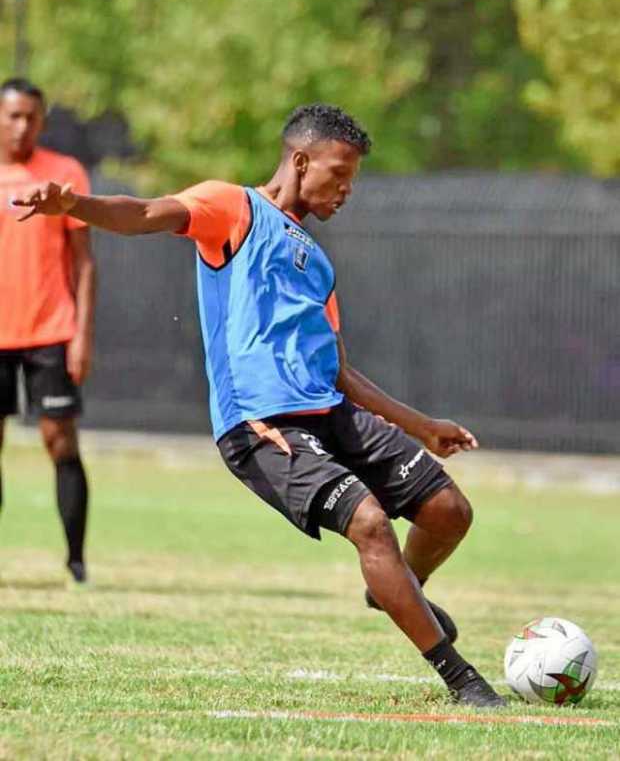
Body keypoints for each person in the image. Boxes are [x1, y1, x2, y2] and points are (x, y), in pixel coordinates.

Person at [14, 103, 504, 706]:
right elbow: (143, 213)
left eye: (353, 179)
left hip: (330, 411)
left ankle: (399, 588)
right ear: (300, 161)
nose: (346, 190)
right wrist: (76, 205)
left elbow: (341, 371)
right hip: (260, 427)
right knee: (371, 523)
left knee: (450, 511)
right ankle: (462, 679)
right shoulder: (232, 208)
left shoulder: (318, 263)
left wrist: (421, 426)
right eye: (339, 173)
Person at [0, 78, 95, 584]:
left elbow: (84, 264)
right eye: (13, 115)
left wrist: (81, 333)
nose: (22, 126)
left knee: (60, 442)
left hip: (50, 331)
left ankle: (77, 562)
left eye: (31, 117)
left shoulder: (64, 173)